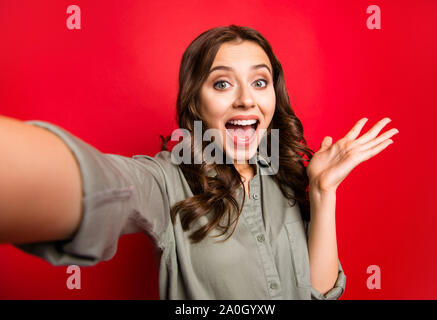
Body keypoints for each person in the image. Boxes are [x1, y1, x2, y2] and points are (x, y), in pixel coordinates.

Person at [0, 25, 399, 300]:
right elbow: (97, 183)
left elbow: (319, 293)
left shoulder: (287, 175)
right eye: (222, 83)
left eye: (260, 82)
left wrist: (322, 192)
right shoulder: (165, 181)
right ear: (196, 102)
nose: (246, 99)